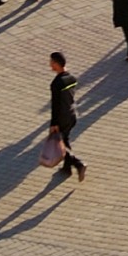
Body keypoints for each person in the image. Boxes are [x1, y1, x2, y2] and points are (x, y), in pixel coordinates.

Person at [46, 53, 87, 181]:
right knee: (65, 139)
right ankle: (66, 168)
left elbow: (55, 105)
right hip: (72, 114)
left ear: (57, 64)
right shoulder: (72, 78)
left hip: (62, 117)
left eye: (51, 62)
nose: (50, 64)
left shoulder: (56, 83)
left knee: (61, 144)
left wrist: (53, 123)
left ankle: (78, 164)